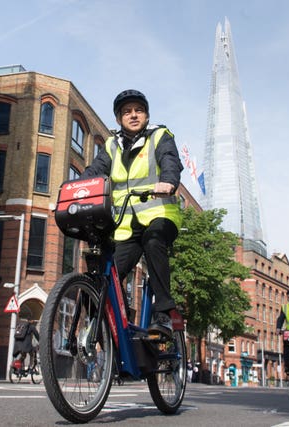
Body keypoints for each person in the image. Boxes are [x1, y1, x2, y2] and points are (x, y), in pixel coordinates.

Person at [81, 89, 183, 337]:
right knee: (109, 271)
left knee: (153, 240)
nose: (133, 115)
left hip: (159, 214)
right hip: (125, 224)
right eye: (127, 111)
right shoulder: (111, 145)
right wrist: (74, 188)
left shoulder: (160, 136)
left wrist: (168, 181)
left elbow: (170, 160)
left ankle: (163, 314)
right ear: (118, 119)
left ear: (146, 115)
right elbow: (96, 170)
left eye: (138, 110)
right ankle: (116, 328)